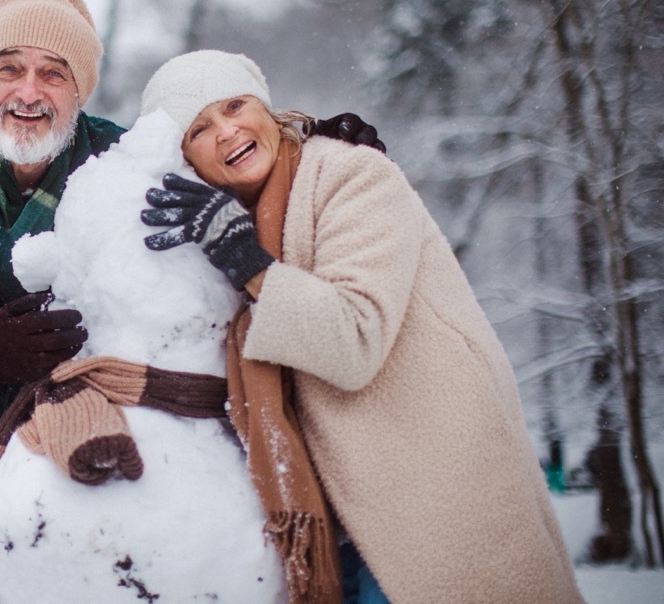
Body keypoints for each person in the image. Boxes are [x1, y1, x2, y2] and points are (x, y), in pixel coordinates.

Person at [0, 0, 383, 604]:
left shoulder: (118, 161)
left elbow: (225, 176)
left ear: (79, 90)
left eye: (54, 73)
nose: (29, 92)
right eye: (11, 69)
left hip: (66, 476)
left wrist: (307, 153)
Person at [137, 50, 584, 604]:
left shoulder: (352, 176)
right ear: (185, 159)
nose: (227, 130)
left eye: (235, 105)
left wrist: (244, 259)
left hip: (431, 493)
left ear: (267, 110)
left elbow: (355, 340)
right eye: (200, 128)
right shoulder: (217, 224)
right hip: (339, 511)